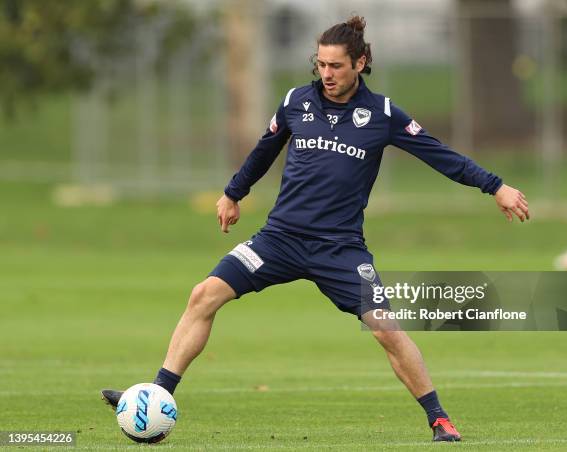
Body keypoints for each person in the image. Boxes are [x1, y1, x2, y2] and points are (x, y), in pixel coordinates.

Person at [102, 15, 530, 442]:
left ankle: (439, 419)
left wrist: (495, 186)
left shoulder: (382, 114)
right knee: (204, 294)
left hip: (340, 250)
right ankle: (156, 396)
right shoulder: (295, 103)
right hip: (279, 239)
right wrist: (234, 194)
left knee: (386, 328)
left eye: (336, 66)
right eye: (321, 64)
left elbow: (440, 155)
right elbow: (263, 150)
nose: (326, 74)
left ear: (360, 63)